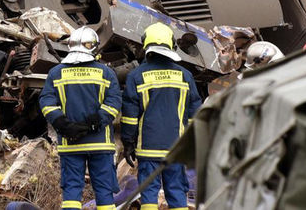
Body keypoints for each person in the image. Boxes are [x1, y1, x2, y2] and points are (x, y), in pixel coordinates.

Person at [39, 26, 122, 210]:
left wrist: (62, 123)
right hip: (100, 143)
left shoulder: (56, 73)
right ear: (93, 47)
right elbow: (114, 103)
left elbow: (46, 101)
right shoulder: (106, 73)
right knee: (104, 191)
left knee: (71, 192)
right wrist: (94, 123)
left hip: (71, 144)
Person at [121, 23, 202, 210]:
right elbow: (194, 114)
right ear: (172, 44)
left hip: (148, 147)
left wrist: (128, 143)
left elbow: (130, 116)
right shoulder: (185, 76)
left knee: (148, 191)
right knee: (176, 189)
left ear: (146, 45)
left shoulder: (136, 76)